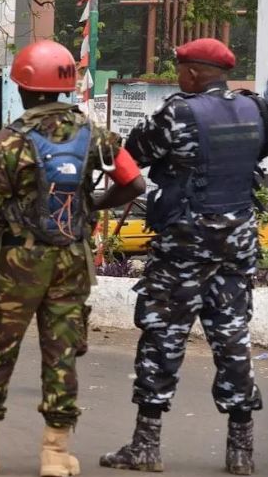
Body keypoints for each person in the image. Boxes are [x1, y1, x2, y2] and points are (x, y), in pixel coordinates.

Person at [0, 40, 145, 476]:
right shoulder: (90, 134)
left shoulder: (9, 141)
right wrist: (93, 204)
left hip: (14, 265)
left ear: (22, 88)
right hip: (71, 262)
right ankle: (56, 455)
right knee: (61, 355)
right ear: (63, 90)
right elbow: (134, 184)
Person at [100, 38, 265, 476]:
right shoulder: (258, 110)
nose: (178, 76)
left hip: (185, 248)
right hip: (238, 245)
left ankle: (146, 447)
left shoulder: (178, 112)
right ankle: (241, 452)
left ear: (193, 73)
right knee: (233, 340)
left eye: (180, 69)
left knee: (162, 338)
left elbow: (130, 158)